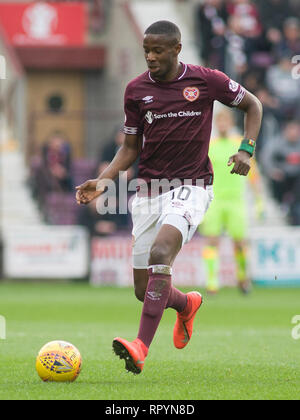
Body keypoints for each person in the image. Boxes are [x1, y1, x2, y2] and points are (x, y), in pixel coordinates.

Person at [76, 20, 262, 374]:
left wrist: (246, 149)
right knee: (143, 288)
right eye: (146, 50)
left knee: (162, 253)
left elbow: (252, 105)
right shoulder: (135, 91)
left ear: (176, 49)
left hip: (192, 186)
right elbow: (131, 147)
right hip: (148, 191)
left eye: (157, 50)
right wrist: (103, 181)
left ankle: (141, 346)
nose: (150, 57)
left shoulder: (206, 81)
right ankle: (186, 304)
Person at [200, 108, 262, 294]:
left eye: (225, 121)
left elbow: (253, 174)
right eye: (219, 122)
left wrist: (259, 201)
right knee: (212, 241)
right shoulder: (210, 145)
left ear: (231, 123)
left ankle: (243, 278)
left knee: (240, 242)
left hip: (236, 200)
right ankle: (212, 282)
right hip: (215, 200)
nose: (222, 125)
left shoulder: (239, 145)